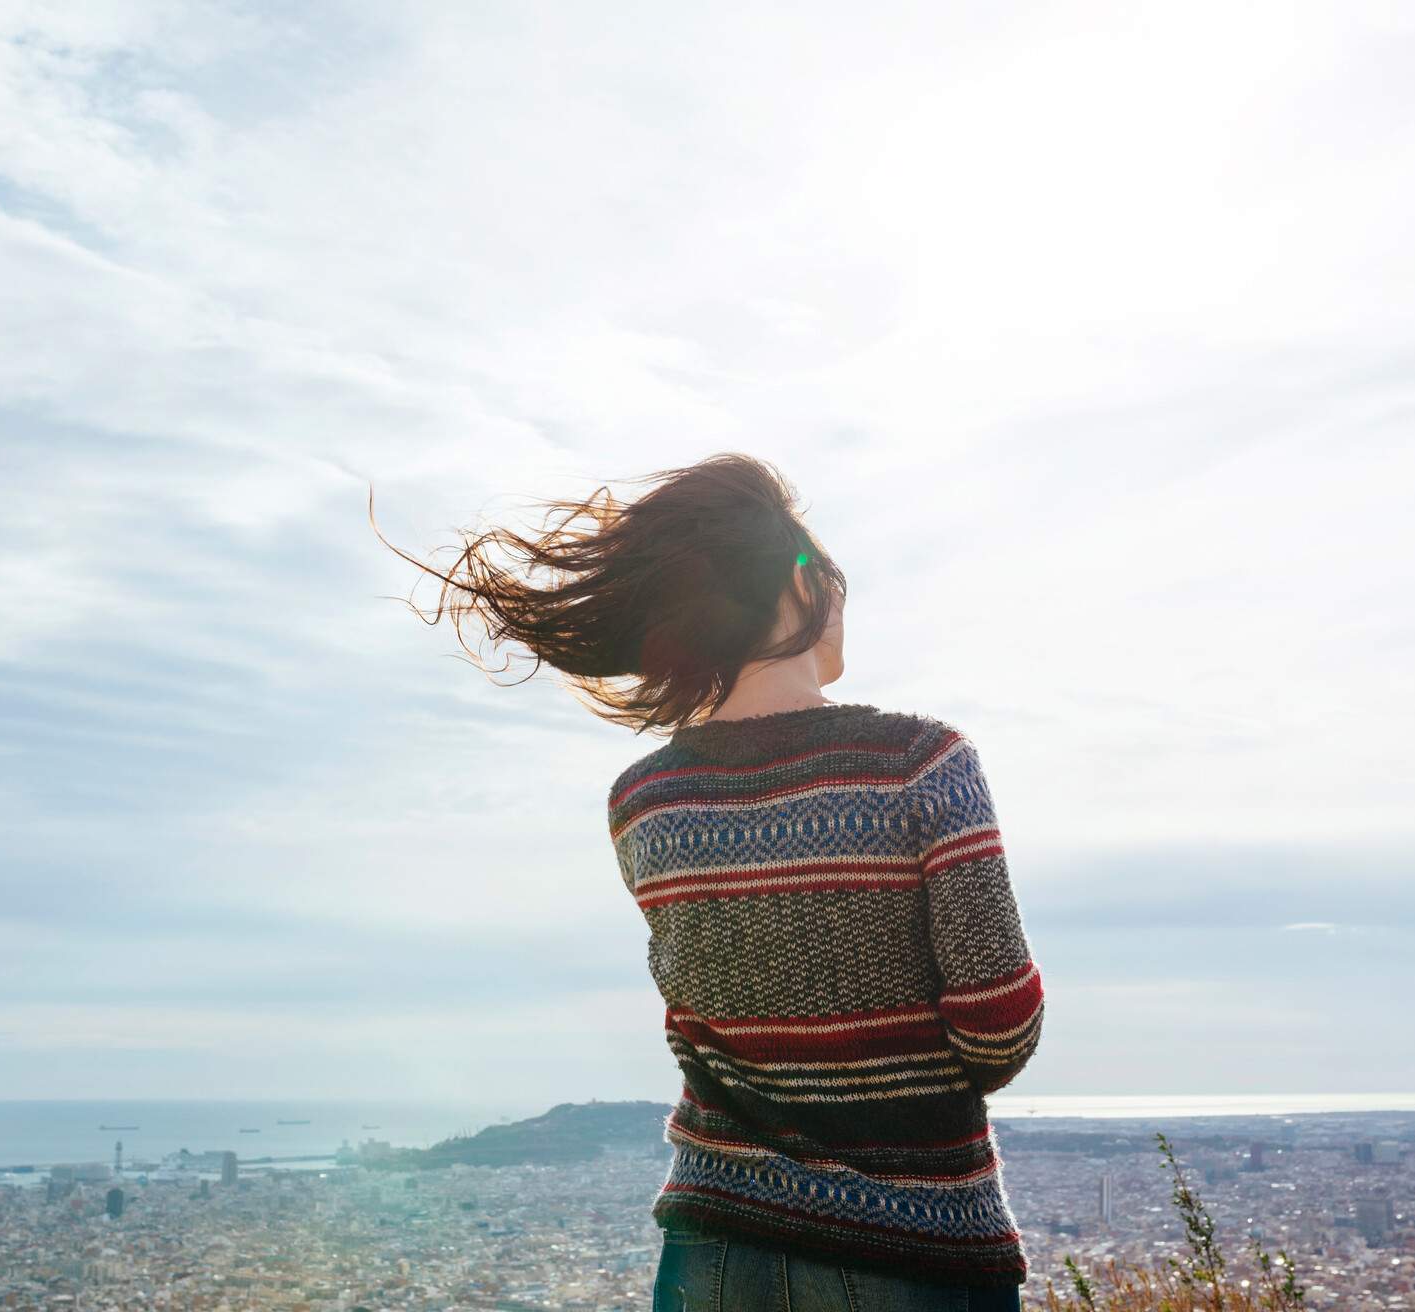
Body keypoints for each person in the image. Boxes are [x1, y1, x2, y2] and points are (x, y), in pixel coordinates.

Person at [373, 452, 1044, 1309]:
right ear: (798, 592)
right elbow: (998, 1031)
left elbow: (708, 1005)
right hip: (912, 1243)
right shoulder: (922, 763)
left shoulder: (645, 800)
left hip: (712, 1247)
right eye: (826, 575)